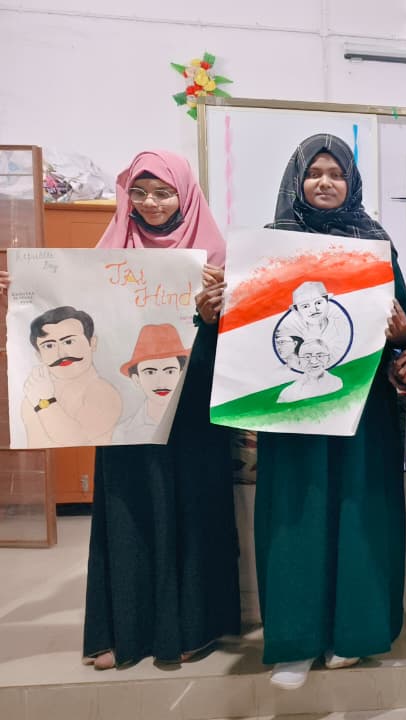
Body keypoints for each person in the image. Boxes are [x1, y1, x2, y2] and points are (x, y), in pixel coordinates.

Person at [255, 134, 406, 689]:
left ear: (352, 182)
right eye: (314, 172)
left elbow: (403, 329)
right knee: (296, 514)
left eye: (336, 173)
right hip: (292, 411)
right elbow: (250, 330)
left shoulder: (375, 242)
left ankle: (354, 634)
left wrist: (402, 332)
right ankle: (294, 643)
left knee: (358, 512)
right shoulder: (270, 244)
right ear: (296, 179)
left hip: (360, 409)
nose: (325, 182)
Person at [77, 149, 238, 670]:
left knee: (190, 505)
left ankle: (193, 627)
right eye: (139, 192)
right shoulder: (110, 249)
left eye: (163, 192)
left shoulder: (216, 255)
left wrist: (214, 315)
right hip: (129, 404)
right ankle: (122, 630)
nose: (150, 203)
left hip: (192, 404)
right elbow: (75, 312)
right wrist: (26, 295)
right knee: (128, 505)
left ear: (185, 195)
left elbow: (239, 340)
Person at [22, 306, 122, 446]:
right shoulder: (35, 394)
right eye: (49, 346)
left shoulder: (103, 392)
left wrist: (45, 401)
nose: (61, 354)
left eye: (68, 342)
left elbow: (74, 440)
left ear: (92, 343)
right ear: (39, 355)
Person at [113, 324, 190, 443]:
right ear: (136, 379)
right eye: (150, 372)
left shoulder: (195, 422)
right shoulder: (122, 433)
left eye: (170, 371)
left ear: (180, 375)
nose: (161, 382)